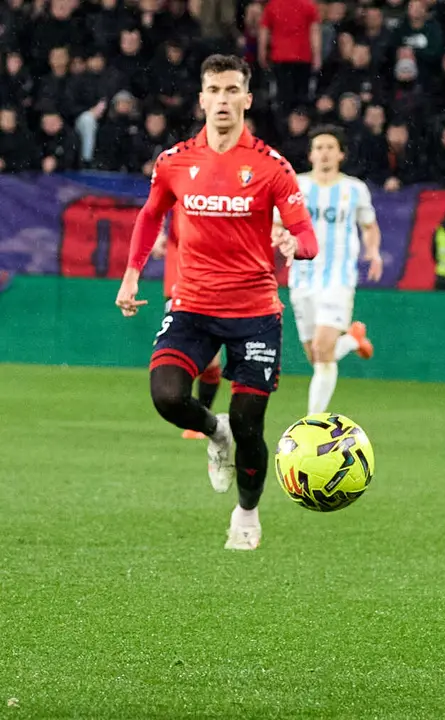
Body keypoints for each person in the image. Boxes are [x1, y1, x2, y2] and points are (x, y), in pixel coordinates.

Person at [114, 54, 319, 551]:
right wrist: (131, 275)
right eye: (214, 90)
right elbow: (150, 216)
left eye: (232, 90)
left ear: (247, 100)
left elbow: (306, 235)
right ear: (201, 98)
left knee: (251, 424)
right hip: (192, 305)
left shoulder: (272, 167)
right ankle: (213, 430)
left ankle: (246, 516)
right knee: (166, 395)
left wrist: (297, 246)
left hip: (254, 312)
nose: (223, 100)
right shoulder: (174, 162)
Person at [274, 125, 380, 416]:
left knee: (322, 350)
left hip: (338, 278)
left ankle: (312, 422)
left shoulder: (354, 189)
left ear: (341, 154)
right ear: (310, 154)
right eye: (319, 147)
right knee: (316, 356)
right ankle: (352, 339)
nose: (324, 153)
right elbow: (276, 224)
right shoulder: (295, 185)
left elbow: (369, 226)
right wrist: (279, 237)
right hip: (303, 278)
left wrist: (372, 252)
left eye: (330, 147)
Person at [152, 219, 223, 439]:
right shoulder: (175, 188)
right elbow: (155, 209)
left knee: (211, 362)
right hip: (179, 283)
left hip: (213, 281)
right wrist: (158, 234)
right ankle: (198, 420)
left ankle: (202, 416)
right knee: (178, 356)